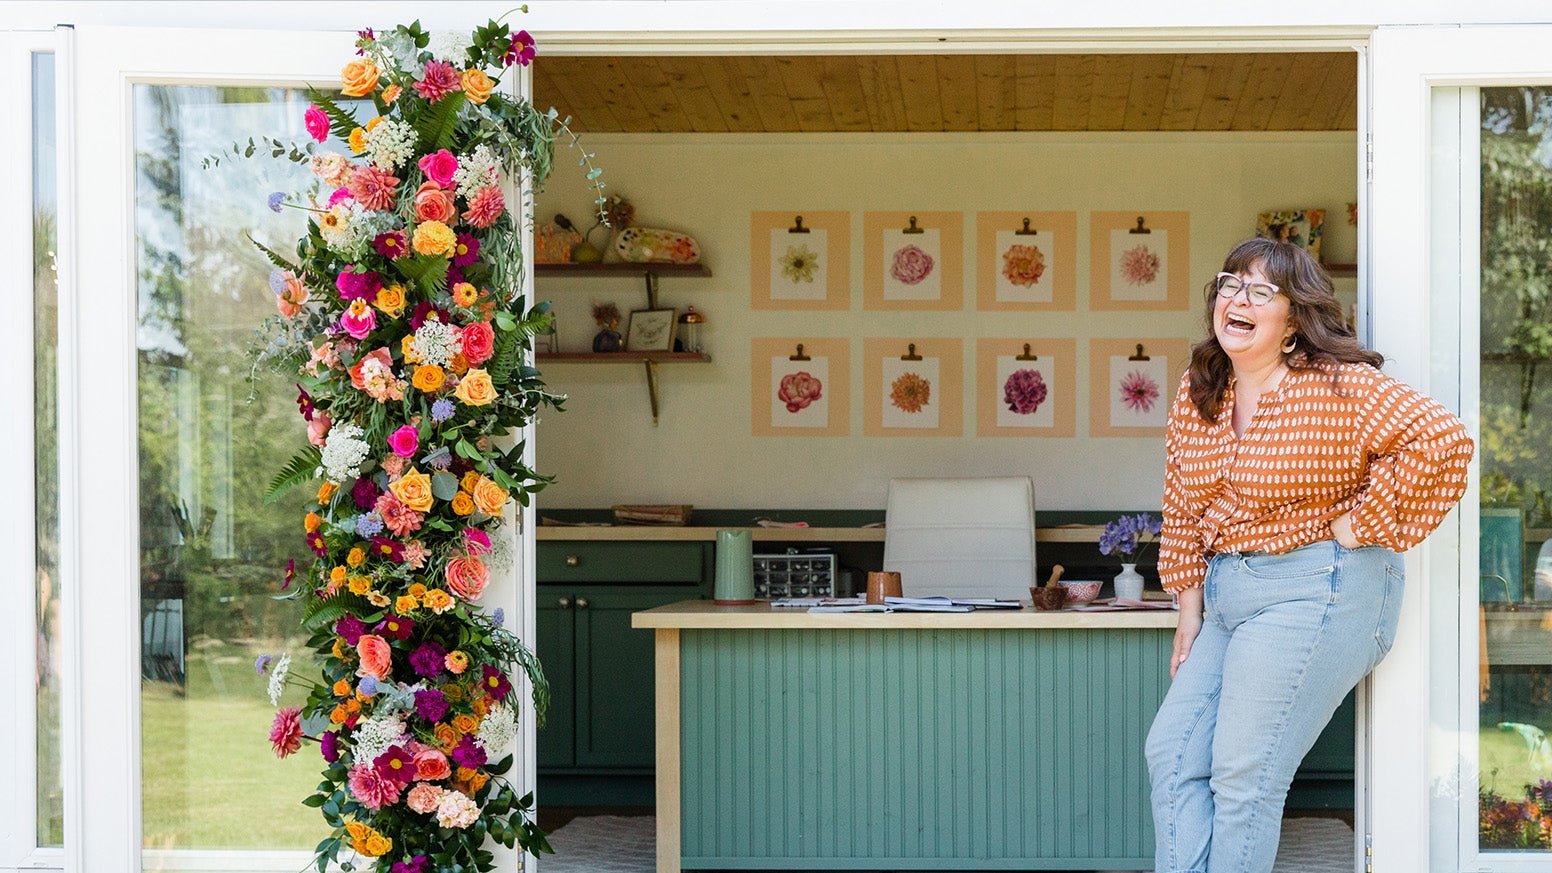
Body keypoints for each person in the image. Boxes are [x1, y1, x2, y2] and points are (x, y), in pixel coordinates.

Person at [1144, 237, 1474, 873]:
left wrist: (1356, 525)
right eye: (1229, 284)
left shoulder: (1338, 387)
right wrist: (1189, 612)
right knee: (1174, 756)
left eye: (1260, 291)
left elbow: (1442, 440)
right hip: (1227, 594)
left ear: (1295, 318)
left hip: (1317, 587)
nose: (1237, 299)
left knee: (1244, 776)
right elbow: (1182, 498)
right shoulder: (1201, 388)